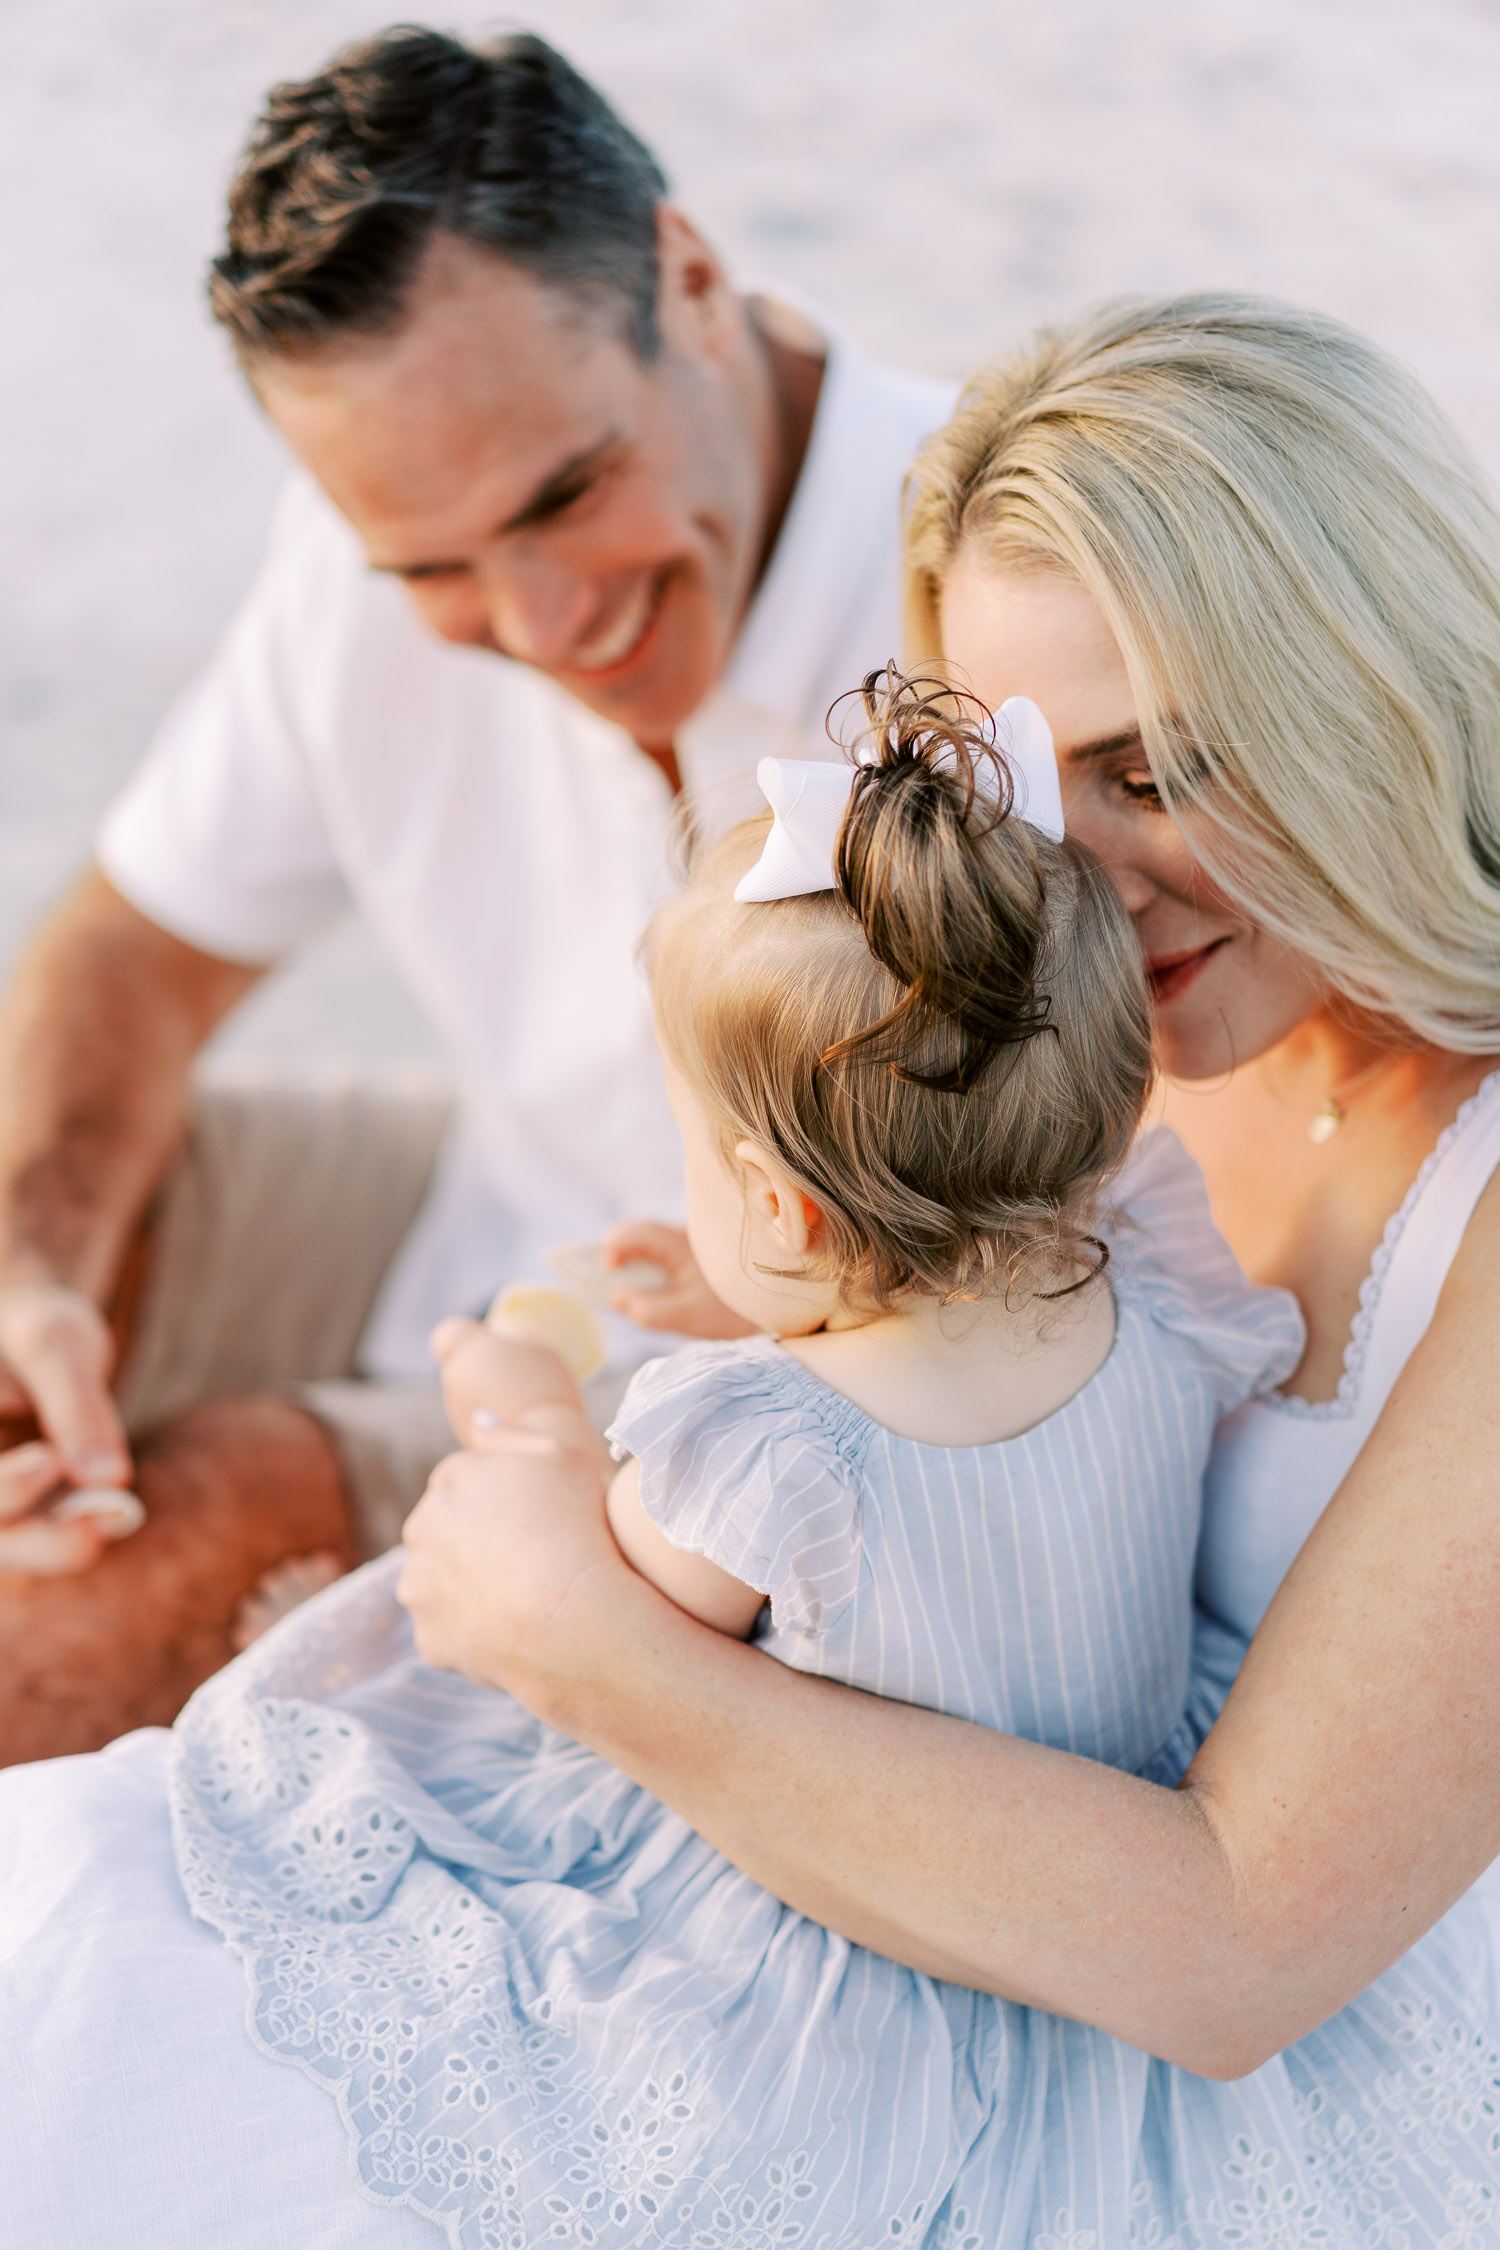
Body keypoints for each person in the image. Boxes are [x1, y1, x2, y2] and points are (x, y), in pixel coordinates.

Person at [5, 293, 1500, 2247]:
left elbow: (1230, 1950)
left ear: (1362, 685)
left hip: (1125, 2049)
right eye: (1042, 798)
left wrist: (582, 1644)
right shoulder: (1117, 1023)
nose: (1093, 891)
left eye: (1166, 770)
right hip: (869, 1917)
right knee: (88, 1902)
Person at [0, 24, 953, 1761]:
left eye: (567, 495)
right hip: (486, 1198)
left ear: (688, 273)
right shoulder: (357, 560)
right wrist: (40, 1261)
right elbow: (134, 956)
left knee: (132, 1576)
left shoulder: (1001, 601)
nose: (537, 624)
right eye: (433, 567)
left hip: (790, 1367)